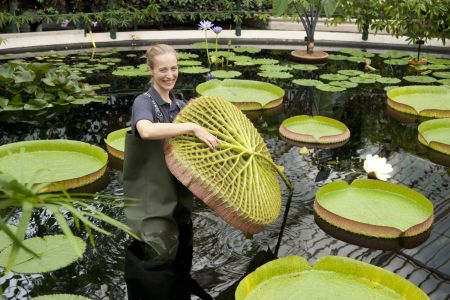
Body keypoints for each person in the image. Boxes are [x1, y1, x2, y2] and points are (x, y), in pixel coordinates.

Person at [123, 44, 218, 300]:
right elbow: (146, 131)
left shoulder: (180, 105)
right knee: (156, 264)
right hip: (152, 201)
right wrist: (192, 127)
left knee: (179, 263)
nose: (169, 75)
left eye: (174, 68)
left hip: (178, 200)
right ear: (151, 70)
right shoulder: (143, 102)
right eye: (163, 69)